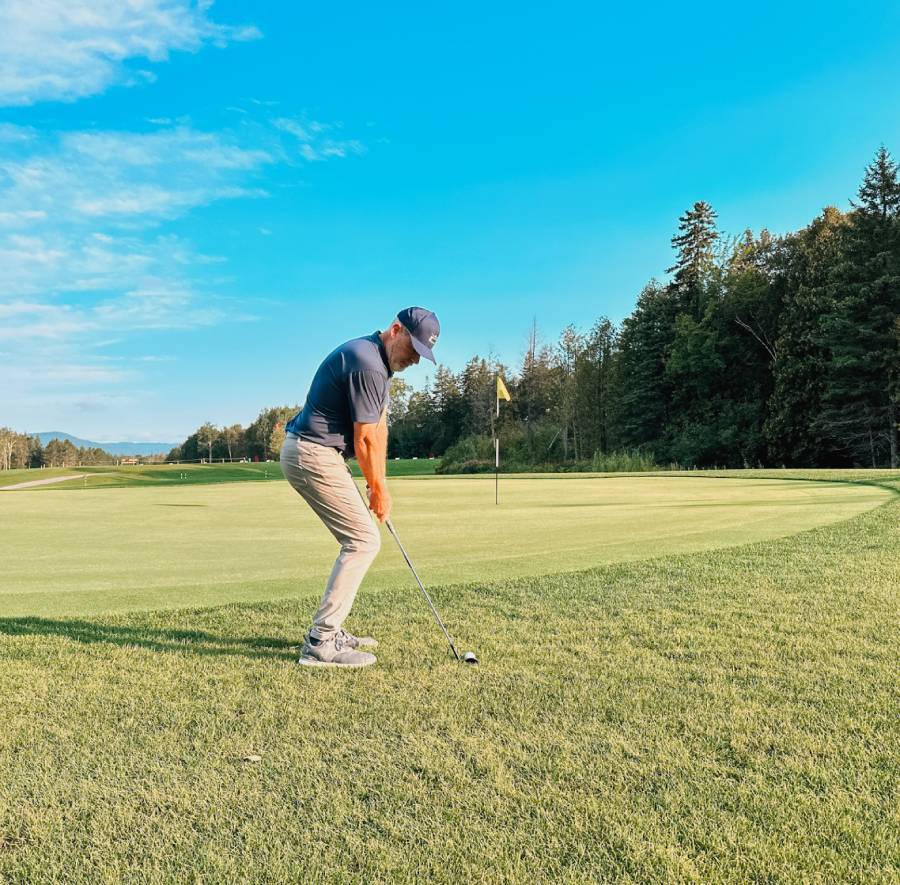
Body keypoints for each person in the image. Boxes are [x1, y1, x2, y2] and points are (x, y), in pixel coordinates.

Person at [281, 307, 441, 668]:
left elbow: (378, 430)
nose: (416, 359)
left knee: (363, 539)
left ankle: (330, 632)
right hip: (311, 452)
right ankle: (321, 641)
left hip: (320, 453)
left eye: (422, 353)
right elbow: (364, 439)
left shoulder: (379, 366)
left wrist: (378, 484)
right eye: (413, 348)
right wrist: (378, 489)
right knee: (363, 541)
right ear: (396, 329)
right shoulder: (366, 363)